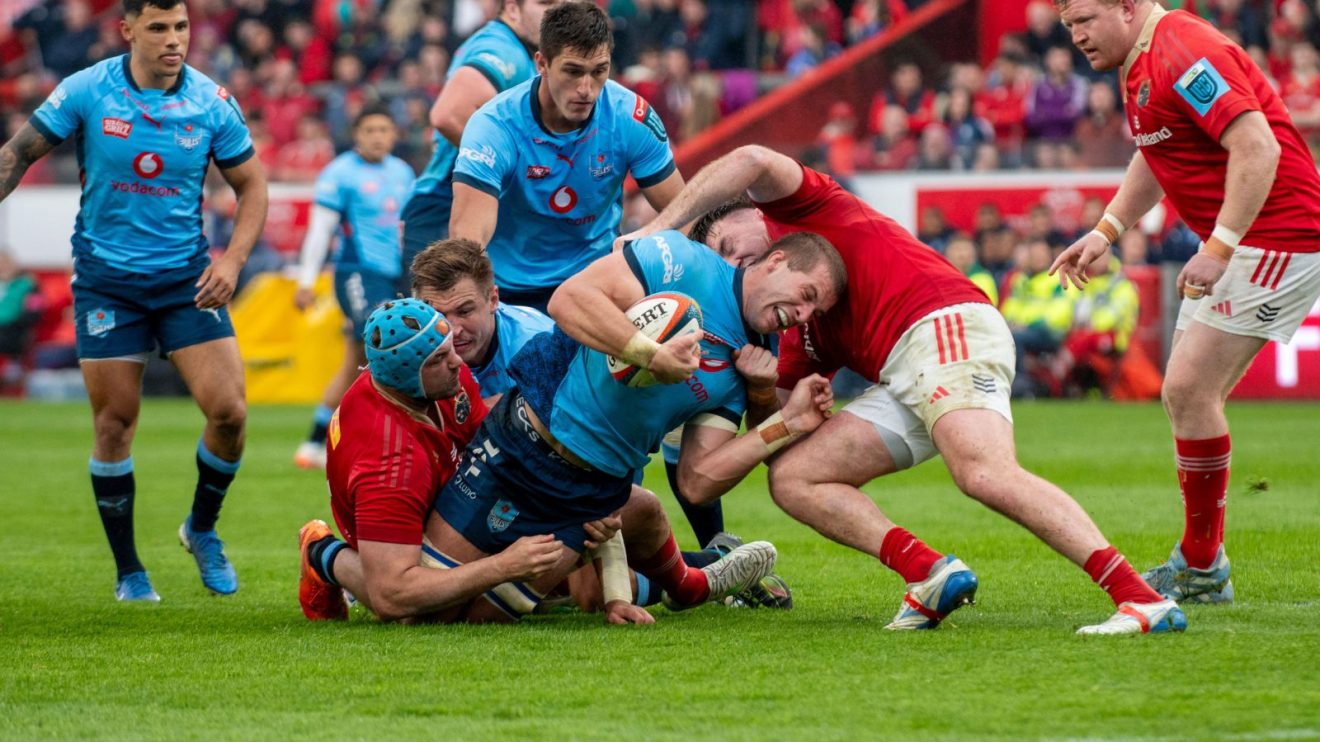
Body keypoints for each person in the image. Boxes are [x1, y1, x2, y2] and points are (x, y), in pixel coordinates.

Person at [619, 145, 1185, 636]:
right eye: (717, 257)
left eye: (726, 242)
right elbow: (771, 443)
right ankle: (927, 571)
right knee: (794, 478)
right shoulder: (777, 330)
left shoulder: (811, 209)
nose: (730, 261)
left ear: (766, 233)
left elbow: (751, 160)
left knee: (983, 472)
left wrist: (661, 227)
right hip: (905, 371)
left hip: (941, 326)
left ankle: (1138, 596)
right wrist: (772, 401)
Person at [423, 230, 845, 620]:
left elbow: (699, 480)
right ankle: (695, 577)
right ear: (775, 261)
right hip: (519, 443)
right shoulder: (681, 260)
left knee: (482, 617)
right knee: (428, 608)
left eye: (815, 312)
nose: (803, 314)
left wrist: (785, 423)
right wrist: (650, 355)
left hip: (585, 498)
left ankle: (694, 582)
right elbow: (569, 299)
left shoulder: (752, 360)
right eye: (805, 294)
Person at [1051, 0, 1320, 603]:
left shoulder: (1182, 51)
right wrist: (1105, 232)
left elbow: (1258, 149)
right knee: (1187, 396)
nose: (1077, 37)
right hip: (1241, 238)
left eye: (1086, 20)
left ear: (1127, 7)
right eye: (1069, 26)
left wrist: (1220, 247)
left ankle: (1203, 567)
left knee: (1189, 390)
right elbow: (1159, 149)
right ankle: (1202, 561)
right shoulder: (1139, 58)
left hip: (1277, 234)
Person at [0, 0, 269, 602]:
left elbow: (252, 186)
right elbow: (16, 155)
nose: (173, 40)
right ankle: (130, 571)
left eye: (180, 27)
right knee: (115, 425)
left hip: (186, 281)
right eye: (157, 28)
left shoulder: (210, 102)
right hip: (107, 284)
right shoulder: (87, 91)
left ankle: (201, 529)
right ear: (127, 31)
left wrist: (230, 262)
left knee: (230, 414)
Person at [296, 298, 647, 624]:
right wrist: (502, 566)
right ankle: (323, 552)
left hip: (447, 492)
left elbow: (492, 450)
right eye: (438, 360)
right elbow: (392, 595)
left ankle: (692, 580)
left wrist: (573, 509)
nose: (458, 363)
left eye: (448, 347)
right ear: (407, 378)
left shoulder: (442, 380)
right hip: (402, 523)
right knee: (420, 615)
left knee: (594, 546)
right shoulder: (389, 463)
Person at [448, 1, 684, 312]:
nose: (586, 89)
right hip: (511, 296)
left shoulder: (630, 116)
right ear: (541, 63)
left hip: (597, 284)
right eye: (572, 71)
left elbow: (685, 214)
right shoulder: (494, 125)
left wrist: (649, 240)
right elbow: (468, 243)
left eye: (599, 71)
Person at [398, 0, 559, 295]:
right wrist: (516, 176)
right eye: (546, 3)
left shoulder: (520, 50)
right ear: (512, 9)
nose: (557, 11)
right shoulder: (502, 49)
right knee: (437, 331)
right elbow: (447, 115)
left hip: (464, 203)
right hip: (445, 203)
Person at [292, 105, 416, 469]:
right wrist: (305, 280)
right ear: (357, 135)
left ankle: (316, 441)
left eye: (384, 129)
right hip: (357, 272)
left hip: (396, 274)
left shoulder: (403, 172)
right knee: (385, 348)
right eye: (370, 130)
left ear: (394, 135)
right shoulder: (340, 173)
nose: (378, 136)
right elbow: (320, 229)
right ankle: (379, 439)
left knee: (356, 361)